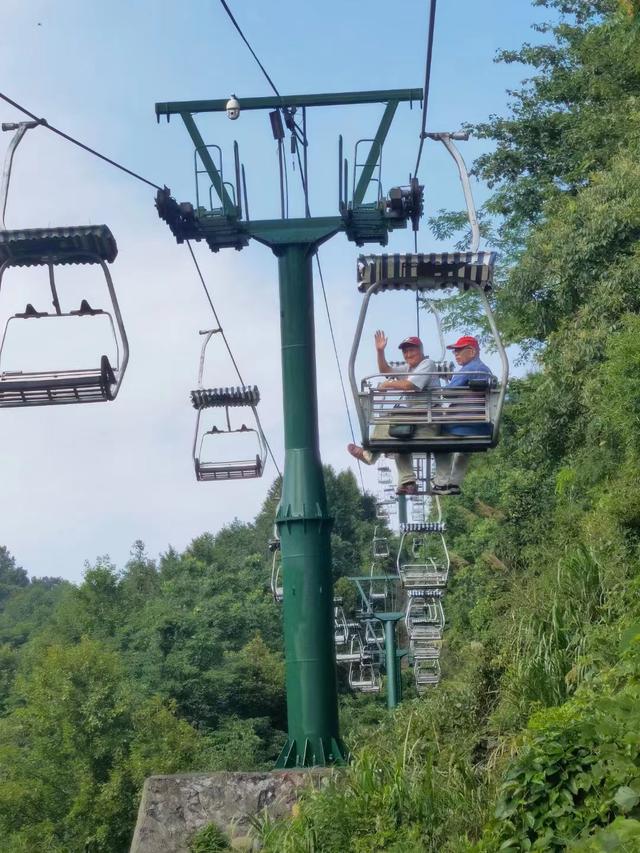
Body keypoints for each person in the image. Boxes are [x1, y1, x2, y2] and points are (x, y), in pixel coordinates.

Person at [347, 331, 440, 495]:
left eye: (412, 350)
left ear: (421, 350)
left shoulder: (427, 364)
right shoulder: (409, 368)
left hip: (428, 423)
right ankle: (407, 482)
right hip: (418, 420)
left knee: (390, 421)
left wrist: (387, 385)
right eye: (405, 351)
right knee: (397, 433)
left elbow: (409, 386)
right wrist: (380, 351)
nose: (408, 354)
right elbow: (386, 370)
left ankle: (369, 456)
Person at [430, 335, 494, 496]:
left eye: (459, 351)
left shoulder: (468, 369)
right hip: (481, 427)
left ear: (471, 351)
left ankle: (442, 482)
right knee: (464, 449)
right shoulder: (486, 370)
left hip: (460, 425)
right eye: (455, 352)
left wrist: (447, 383)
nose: (456, 355)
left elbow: (448, 394)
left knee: (437, 439)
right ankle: (455, 483)